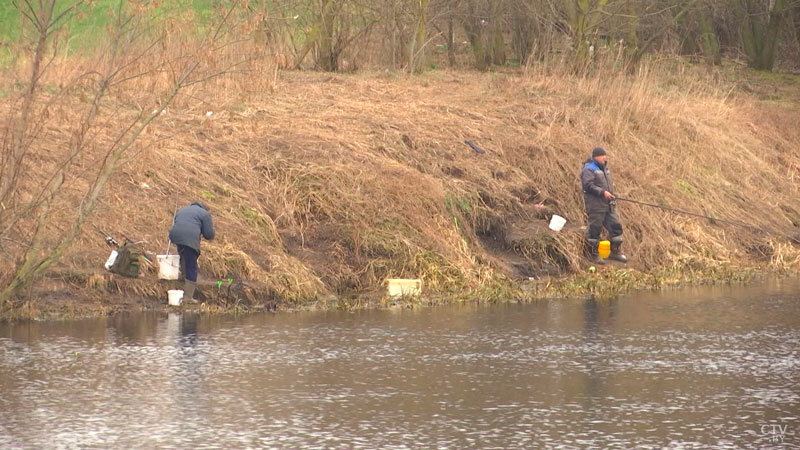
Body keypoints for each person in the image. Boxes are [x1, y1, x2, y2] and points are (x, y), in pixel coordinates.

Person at [581, 147, 627, 264]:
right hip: (595, 205)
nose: (604, 157)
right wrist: (602, 192)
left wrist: (612, 194)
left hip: (608, 204)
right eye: (602, 156)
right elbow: (588, 185)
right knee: (594, 229)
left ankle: (615, 252)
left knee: (616, 226)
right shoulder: (588, 169)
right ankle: (593, 254)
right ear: (596, 156)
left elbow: (606, 186)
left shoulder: (605, 168)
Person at [169, 202, 215, 302]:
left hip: (175, 235)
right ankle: (188, 297)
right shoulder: (204, 214)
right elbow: (209, 234)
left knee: (184, 254)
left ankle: (183, 278)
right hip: (190, 237)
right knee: (191, 264)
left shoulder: (181, 210)